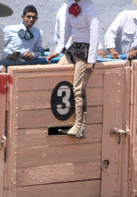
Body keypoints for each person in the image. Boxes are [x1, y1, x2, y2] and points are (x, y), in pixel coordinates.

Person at [48, 0, 99, 139]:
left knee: (78, 88)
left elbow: (95, 34)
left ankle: (79, 126)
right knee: (59, 71)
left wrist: (91, 60)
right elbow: (66, 30)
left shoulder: (90, 7)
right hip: (73, 48)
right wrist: (58, 51)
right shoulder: (69, 5)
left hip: (85, 51)